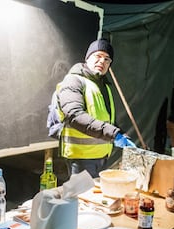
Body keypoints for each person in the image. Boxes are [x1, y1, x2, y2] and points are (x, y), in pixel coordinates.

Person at [57, 38, 136, 178]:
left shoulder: (104, 86)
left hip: (102, 156)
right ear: (87, 58)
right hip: (81, 158)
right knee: (81, 198)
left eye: (107, 59)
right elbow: (74, 115)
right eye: (98, 56)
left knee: (95, 198)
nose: (102, 62)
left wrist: (121, 134)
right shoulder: (74, 80)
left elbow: (106, 119)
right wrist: (113, 134)